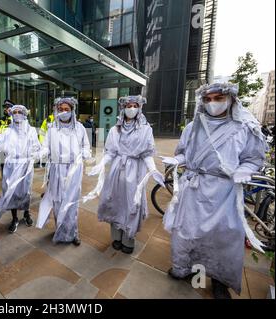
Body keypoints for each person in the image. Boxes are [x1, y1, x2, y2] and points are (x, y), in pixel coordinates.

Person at [161, 83, 268, 299]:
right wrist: (177, 159)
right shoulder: (193, 127)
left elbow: (253, 158)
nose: (212, 103)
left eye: (218, 98)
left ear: (230, 99)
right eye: (208, 99)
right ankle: (184, 268)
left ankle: (220, 281)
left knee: (223, 238)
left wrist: (245, 170)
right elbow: (184, 152)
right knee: (186, 231)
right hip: (194, 187)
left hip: (224, 191)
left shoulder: (243, 127)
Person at [83, 96, 165, 254]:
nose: (132, 108)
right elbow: (110, 152)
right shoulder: (115, 130)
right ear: (123, 108)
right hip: (116, 171)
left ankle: (128, 238)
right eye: (128, 105)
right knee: (114, 203)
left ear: (139, 108)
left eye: (135, 105)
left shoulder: (146, 129)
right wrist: (100, 164)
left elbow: (147, 154)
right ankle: (116, 237)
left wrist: (153, 169)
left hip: (135, 172)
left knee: (131, 205)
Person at [37, 97, 92, 246]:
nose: (63, 112)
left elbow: (86, 146)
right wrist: (41, 152)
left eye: (66, 109)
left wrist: (85, 153)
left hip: (74, 169)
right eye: (60, 109)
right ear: (56, 110)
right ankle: (59, 229)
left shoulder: (79, 128)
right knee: (57, 200)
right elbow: (46, 146)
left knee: (71, 202)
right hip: (56, 168)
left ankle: (73, 233)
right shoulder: (52, 128)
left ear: (72, 110)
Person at [0, 105, 41, 233]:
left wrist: (34, 155)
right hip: (11, 166)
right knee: (11, 191)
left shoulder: (31, 131)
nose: (17, 114)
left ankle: (26, 213)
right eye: (15, 112)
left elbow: (36, 146)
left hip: (26, 165)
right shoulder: (7, 131)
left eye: (20, 112)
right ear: (11, 115)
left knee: (26, 191)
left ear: (25, 114)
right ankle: (14, 218)